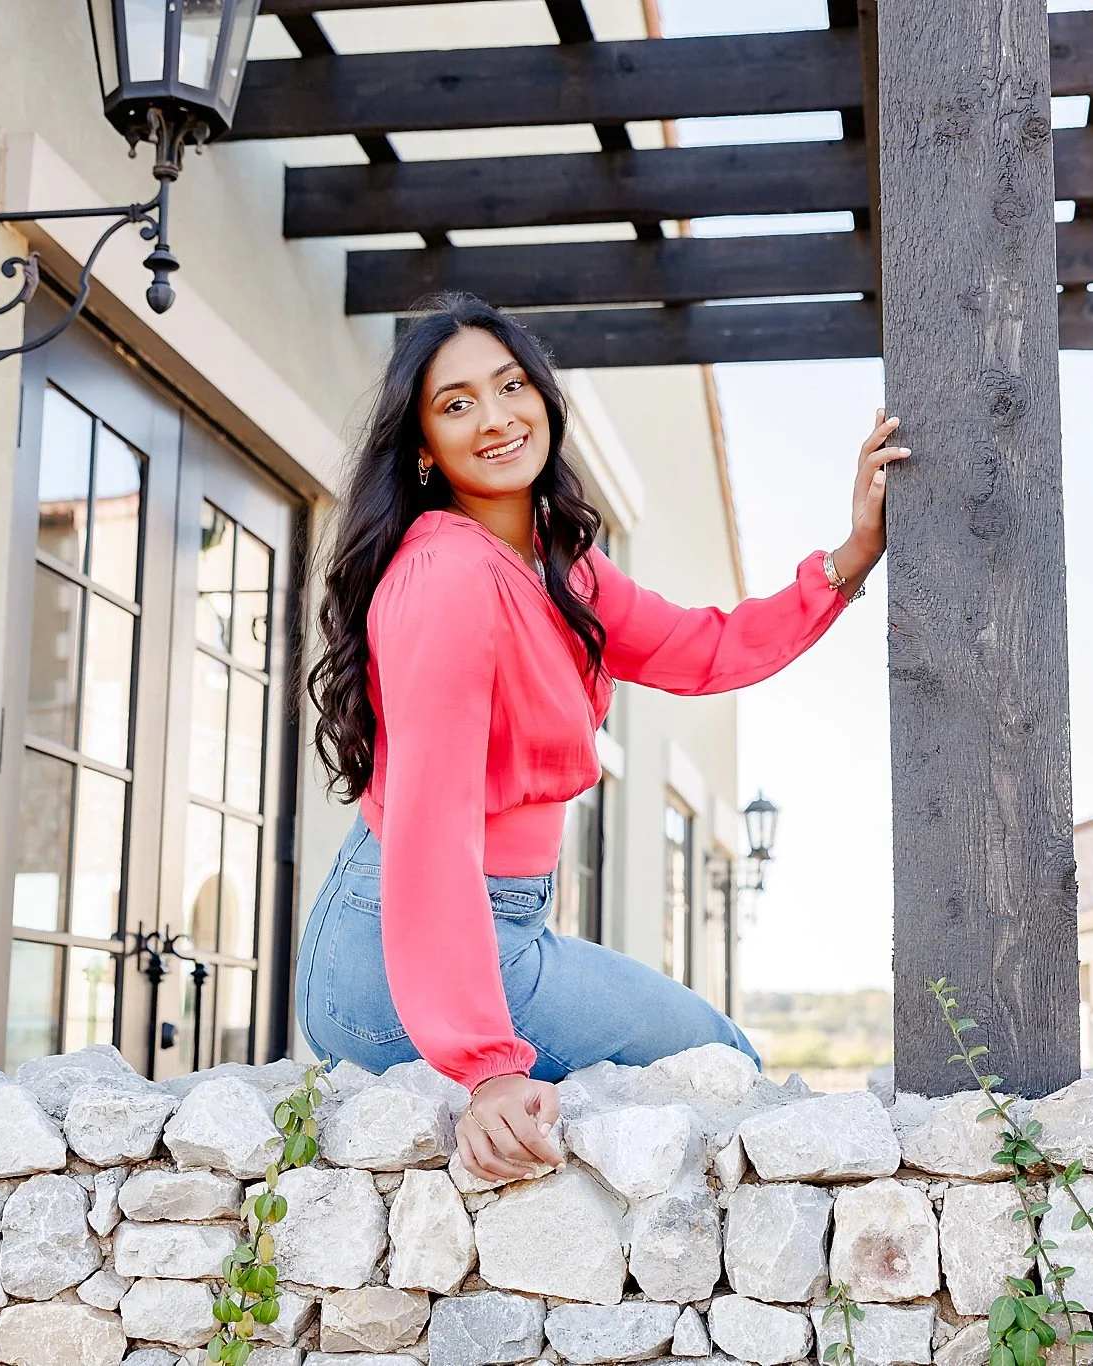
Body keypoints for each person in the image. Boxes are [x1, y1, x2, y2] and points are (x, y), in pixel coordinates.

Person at [297, 294, 906, 1182]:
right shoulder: (447, 579)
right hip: (398, 963)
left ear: (544, 398)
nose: (497, 418)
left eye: (512, 387)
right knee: (722, 1056)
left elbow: (700, 647)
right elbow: (430, 833)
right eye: (458, 403)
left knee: (710, 1059)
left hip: (489, 935)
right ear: (423, 447)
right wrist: (485, 1066)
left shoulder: (556, 558)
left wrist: (850, 556)